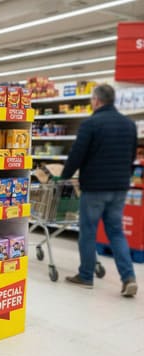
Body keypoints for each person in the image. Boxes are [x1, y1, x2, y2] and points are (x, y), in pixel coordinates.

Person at [61, 84, 138, 297]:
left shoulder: (91, 124)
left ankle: (86, 275)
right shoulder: (129, 125)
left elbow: (77, 155)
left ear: (96, 100)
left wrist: (64, 176)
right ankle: (128, 277)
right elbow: (131, 156)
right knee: (116, 232)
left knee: (88, 231)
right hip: (120, 188)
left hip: (95, 188)